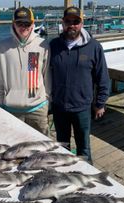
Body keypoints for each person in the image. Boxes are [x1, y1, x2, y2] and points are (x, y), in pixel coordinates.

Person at [49, 6, 110, 164]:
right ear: (63, 23)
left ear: (82, 23)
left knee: (84, 148)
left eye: (76, 21)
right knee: (62, 147)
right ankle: (65, 177)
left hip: (82, 107)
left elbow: (102, 77)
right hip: (59, 106)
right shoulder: (53, 45)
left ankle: (86, 178)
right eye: (68, 21)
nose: (72, 25)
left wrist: (100, 103)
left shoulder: (94, 47)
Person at [0, 7, 51, 135]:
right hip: (11, 109)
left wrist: (46, 100)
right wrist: (2, 100)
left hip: (38, 109)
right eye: (20, 23)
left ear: (33, 24)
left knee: (42, 148)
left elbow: (47, 76)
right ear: (13, 24)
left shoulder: (42, 45)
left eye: (27, 23)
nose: (23, 27)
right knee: (14, 149)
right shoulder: (2, 46)